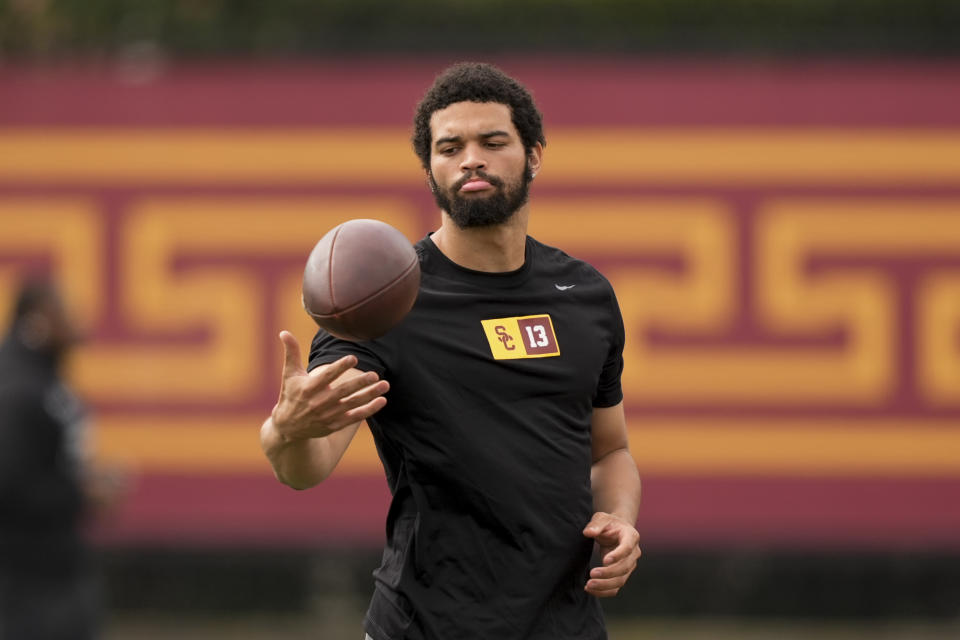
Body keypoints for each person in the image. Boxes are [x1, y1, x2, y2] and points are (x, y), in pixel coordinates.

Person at [261, 62, 642, 640]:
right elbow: (304, 469)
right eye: (450, 147)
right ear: (430, 168)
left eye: (493, 142)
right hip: (424, 626)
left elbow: (609, 451)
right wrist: (286, 430)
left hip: (566, 625)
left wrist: (619, 519)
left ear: (534, 154)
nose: (471, 159)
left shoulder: (585, 294)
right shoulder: (380, 303)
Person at [0, 279, 121, 640]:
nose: (75, 321)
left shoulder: (43, 379)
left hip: (53, 569)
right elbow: (11, 481)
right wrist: (81, 494)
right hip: (24, 577)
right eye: (63, 311)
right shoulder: (17, 389)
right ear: (37, 320)